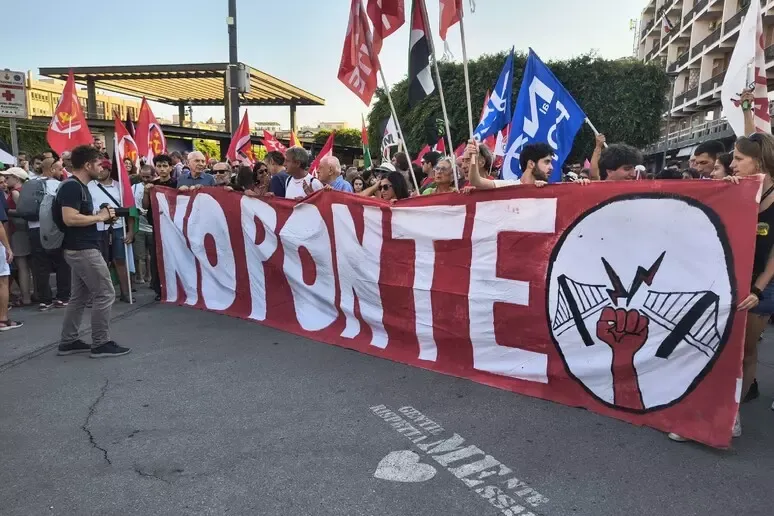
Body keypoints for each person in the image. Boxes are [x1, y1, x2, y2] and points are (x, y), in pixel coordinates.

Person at [55, 145, 129, 358]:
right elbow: (70, 218)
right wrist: (100, 217)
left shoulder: (78, 186)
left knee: (79, 297)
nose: (102, 166)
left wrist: (100, 215)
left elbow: (76, 216)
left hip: (80, 247)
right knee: (105, 293)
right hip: (82, 249)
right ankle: (100, 343)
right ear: (87, 165)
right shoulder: (72, 187)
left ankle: (68, 341)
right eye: (98, 163)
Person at [88, 164, 135, 302]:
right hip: (97, 228)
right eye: (99, 168)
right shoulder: (89, 186)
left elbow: (130, 209)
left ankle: (126, 293)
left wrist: (131, 231)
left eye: (103, 168)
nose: (100, 171)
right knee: (99, 262)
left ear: (109, 170)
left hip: (118, 227)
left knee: (120, 260)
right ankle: (101, 295)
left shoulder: (120, 186)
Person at [28, 158, 70, 310]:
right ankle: (63, 296)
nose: (61, 172)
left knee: (40, 266)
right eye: (59, 169)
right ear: (52, 170)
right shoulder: (58, 185)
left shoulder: (30, 183)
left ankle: (44, 299)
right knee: (61, 263)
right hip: (53, 230)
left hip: (33, 228)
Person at [144, 154, 177, 301]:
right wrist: (146, 192)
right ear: (155, 168)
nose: (162, 169)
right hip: (157, 227)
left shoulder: (176, 184)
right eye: (159, 166)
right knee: (157, 258)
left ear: (171, 167)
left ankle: (176, 287)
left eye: (165, 166)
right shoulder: (153, 186)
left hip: (174, 228)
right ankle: (159, 289)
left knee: (174, 257)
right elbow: (145, 206)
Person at [2, 167, 31, 306]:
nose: (5, 180)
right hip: (23, 230)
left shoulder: (15, 192)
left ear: (17, 178)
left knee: (22, 265)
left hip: (18, 231)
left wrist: (7, 212)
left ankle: (26, 296)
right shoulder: (25, 190)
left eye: (8, 177)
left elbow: (21, 211)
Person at [132, 165, 155, 285]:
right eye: (143, 176)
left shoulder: (156, 186)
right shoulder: (134, 187)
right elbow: (130, 204)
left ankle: (150, 276)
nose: (145, 179)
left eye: (148, 177)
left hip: (152, 226)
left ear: (153, 175)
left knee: (151, 255)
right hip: (139, 225)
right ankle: (139, 277)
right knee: (139, 254)